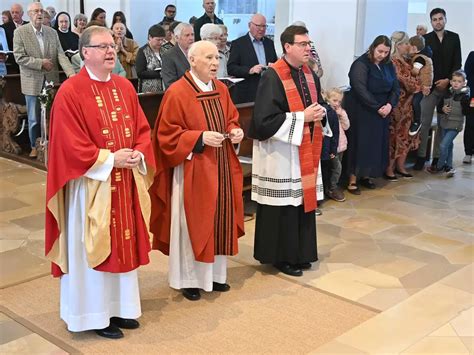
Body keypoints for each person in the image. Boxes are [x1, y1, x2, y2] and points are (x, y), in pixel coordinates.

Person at [46, 25, 156, 339]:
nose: (111, 51)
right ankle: (92, 314)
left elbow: (142, 130)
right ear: (85, 52)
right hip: (90, 187)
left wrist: (137, 153)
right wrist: (109, 160)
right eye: (103, 46)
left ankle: (120, 308)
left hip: (124, 182)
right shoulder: (71, 91)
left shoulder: (124, 86)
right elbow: (68, 144)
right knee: (93, 249)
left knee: (124, 243)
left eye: (113, 44)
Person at [149, 40, 245, 301]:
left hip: (221, 166)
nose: (215, 63)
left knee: (219, 218)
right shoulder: (177, 92)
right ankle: (188, 279)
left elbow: (231, 118)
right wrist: (199, 138)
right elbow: (166, 136)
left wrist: (235, 130)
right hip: (193, 168)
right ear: (192, 60)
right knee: (192, 222)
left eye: (217, 58)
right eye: (209, 58)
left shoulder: (222, 89)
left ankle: (215, 275)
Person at [250, 25, 327, 277]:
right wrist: (301, 117)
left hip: (302, 150)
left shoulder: (309, 74)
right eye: (302, 44)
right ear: (287, 47)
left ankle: (301, 253)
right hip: (281, 153)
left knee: (300, 203)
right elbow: (263, 121)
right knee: (284, 205)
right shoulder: (272, 76)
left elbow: (319, 104)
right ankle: (281, 257)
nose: (308, 48)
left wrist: (320, 113)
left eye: (308, 43)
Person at [13, 2, 75, 158]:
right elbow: (19, 57)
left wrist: (71, 74)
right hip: (32, 81)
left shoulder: (51, 32)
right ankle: (35, 145)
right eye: (35, 11)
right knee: (34, 118)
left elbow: (60, 54)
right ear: (29, 14)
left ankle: (52, 144)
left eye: (41, 10)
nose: (39, 13)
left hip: (50, 81)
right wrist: (41, 63)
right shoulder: (20, 32)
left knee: (52, 115)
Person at [345, 35, 399, 194]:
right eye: (380, 51)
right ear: (373, 48)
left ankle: (367, 175)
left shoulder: (388, 65)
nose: (382, 55)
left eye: (386, 52)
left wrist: (389, 105)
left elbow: (395, 87)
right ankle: (352, 179)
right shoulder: (361, 64)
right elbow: (360, 88)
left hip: (383, 110)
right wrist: (377, 107)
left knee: (376, 144)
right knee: (360, 143)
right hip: (363, 109)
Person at [414, 8, 462, 170]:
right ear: (431, 22)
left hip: (448, 90)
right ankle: (421, 157)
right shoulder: (425, 39)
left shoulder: (454, 38)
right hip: (430, 89)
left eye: (440, 18)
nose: (438, 22)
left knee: (443, 125)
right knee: (424, 122)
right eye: (434, 19)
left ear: (445, 19)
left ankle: (437, 158)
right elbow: (422, 62)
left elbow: (458, 63)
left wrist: (448, 80)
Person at [385, 31, 420, 180]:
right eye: (406, 43)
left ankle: (401, 166)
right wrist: (417, 83)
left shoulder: (406, 61)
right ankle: (389, 168)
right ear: (398, 45)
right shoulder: (393, 62)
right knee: (394, 136)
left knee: (405, 135)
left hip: (408, 105)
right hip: (398, 104)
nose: (408, 46)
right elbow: (408, 83)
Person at [426, 70, 470, 176]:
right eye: (454, 80)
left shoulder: (465, 97)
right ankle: (449, 167)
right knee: (449, 145)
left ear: (464, 83)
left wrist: (469, 106)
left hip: (455, 125)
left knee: (443, 145)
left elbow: (467, 112)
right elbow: (440, 107)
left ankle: (439, 166)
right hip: (445, 123)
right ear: (450, 82)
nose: (456, 83)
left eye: (459, 81)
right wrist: (443, 109)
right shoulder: (447, 93)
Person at [227, 14, 278, 104]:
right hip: (248, 93)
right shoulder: (239, 44)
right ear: (249, 25)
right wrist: (250, 70)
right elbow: (231, 68)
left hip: (268, 91)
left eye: (264, 26)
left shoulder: (269, 43)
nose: (261, 29)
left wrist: (274, 66)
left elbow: (275, 63)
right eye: (258, 26)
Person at [322, 88, 350, 202]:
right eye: (334, 100)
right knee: (336, 168)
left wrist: (342, 114)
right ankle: (332, 188)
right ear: (328, 99)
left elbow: (346, 126)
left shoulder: (339, 112)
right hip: (331, 147)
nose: (337, 103)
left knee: (337, 168)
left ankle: (332, 186)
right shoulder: (326, 112)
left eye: (339, 101)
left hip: (341, 145)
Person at [408, 35, 433, 136]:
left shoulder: (419, 59)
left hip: (422, 86)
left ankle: (417, 121)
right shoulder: (425, 56)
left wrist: (408, 70)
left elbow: (415, 71)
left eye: (408, 46)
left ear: (415, 48)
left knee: (415, 103)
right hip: (424, 85)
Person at [161, 22, 194, 89]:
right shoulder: (169, 56)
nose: (191, 38)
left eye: (192, 35)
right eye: (187, 35)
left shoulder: (198, 53)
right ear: (177, 37)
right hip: (181, 95)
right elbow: (170, 84)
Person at [136, 24, 166, 93]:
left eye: (162, 40)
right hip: (148, 91)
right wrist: (159, 74)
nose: (161, 42)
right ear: (150, 37)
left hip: (164, 89)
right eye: (158, 40)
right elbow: (140, 73)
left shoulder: (165, 50)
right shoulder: (143, 51)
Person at [463, 51, 474, 164]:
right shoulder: (472, 55)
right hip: (473, 97)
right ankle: (468, 153)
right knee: (470, 123)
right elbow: (468, 74)